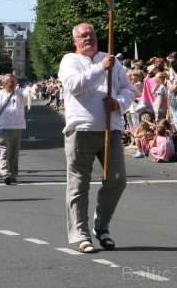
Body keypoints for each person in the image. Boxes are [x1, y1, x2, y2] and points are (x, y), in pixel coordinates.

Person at [57, 23, 135, 253]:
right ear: (76, 41)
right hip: (81, 128)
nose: (88, 38)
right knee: (79, 184)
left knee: (117, 179)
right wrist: (101, 68)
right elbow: (74, 85)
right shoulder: (70, 60)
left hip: (110, 128)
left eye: (91, 34)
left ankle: (101, 227)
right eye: (83, 35)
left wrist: (118, 103)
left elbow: (128, 89)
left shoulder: (112, 60)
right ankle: (81, 234)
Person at [0, 73, 30, 185]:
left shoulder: (19, 93)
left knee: (14, 153)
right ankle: (5, 173)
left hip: (17, 127)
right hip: (3, 127)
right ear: (4, 83)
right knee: (4, 151)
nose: (14, 83)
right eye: (11, 81)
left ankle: (13, 174)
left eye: (15, 81)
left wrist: (35, 88)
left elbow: (29, 93)